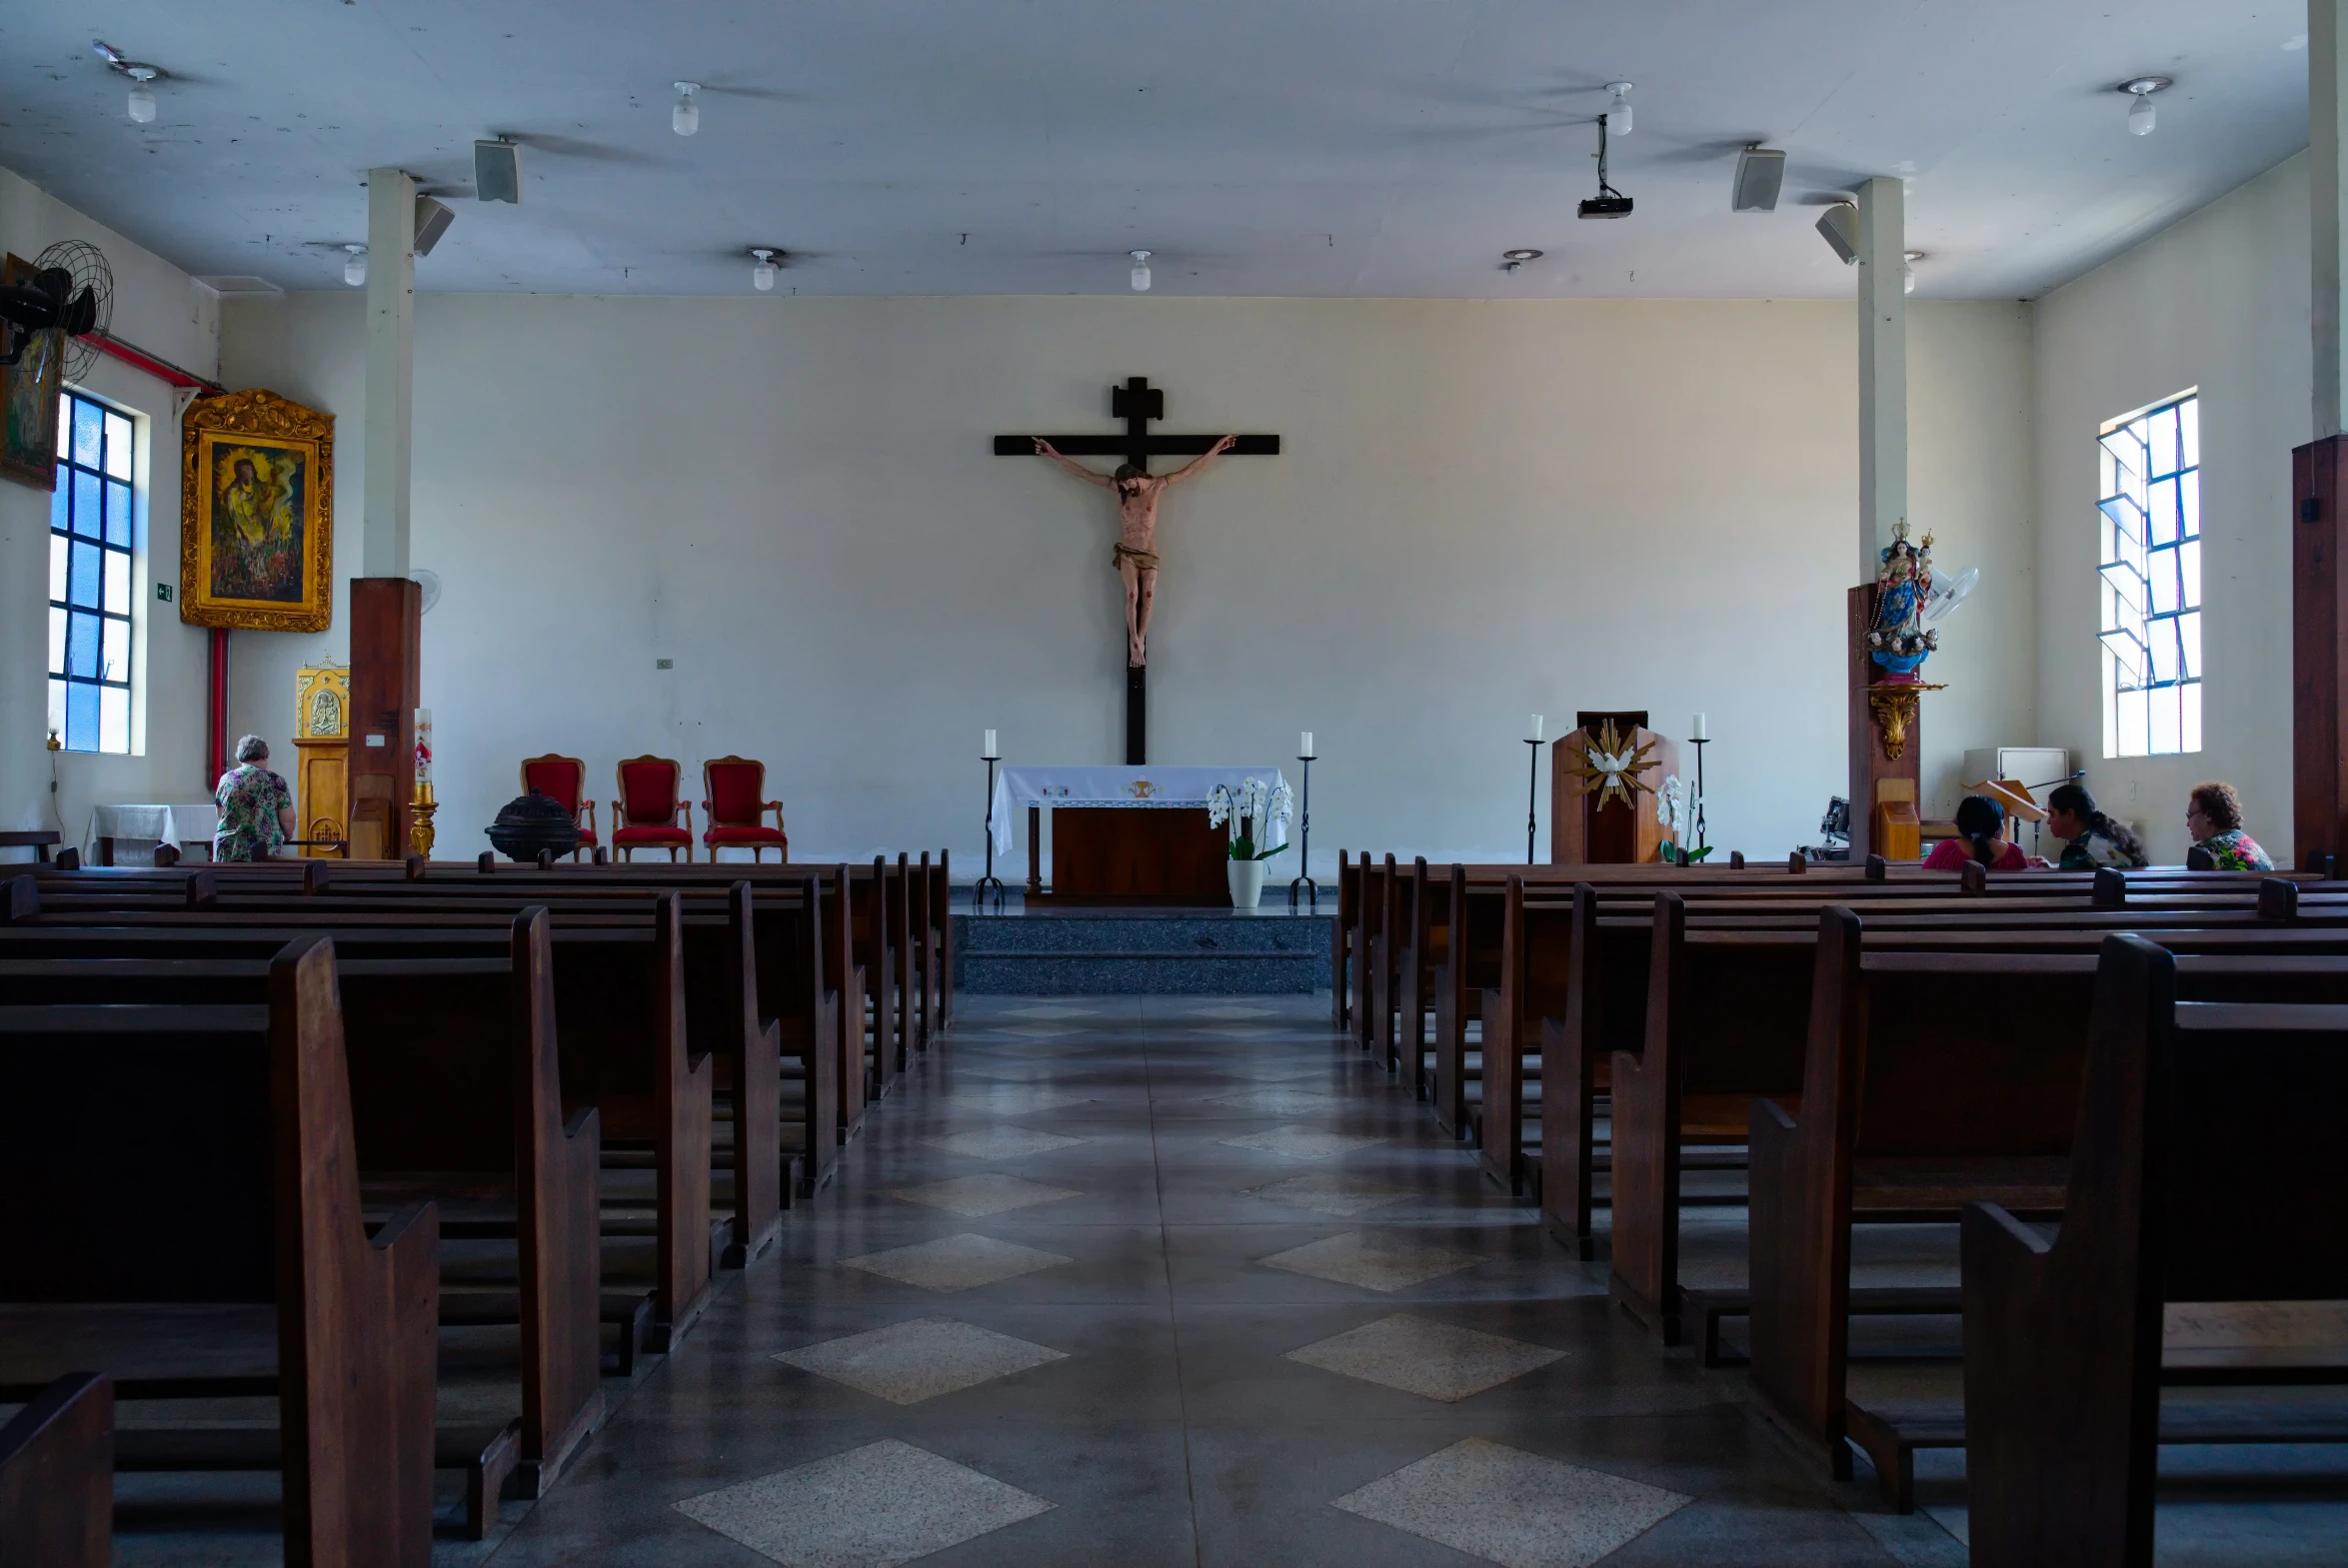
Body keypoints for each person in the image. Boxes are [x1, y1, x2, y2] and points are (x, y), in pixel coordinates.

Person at [1033, 433, 1237, 668]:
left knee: (1148, 595)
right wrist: (1053, 454)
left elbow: (1191, 469)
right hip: (1128, 551)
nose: (1126, 489)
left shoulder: (1158, 485)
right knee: (1132, 594)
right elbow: (1083, 473)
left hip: (1149, 552)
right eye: (1122, 486)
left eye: (1128, 484)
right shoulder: (1118, 488)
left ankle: (1142, 638)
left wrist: (1217, 449)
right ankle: (1134, 641)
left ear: (1134, 477)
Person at [214, 734, 296, 862]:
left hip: (228, 849)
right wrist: (288, 835)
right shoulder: (275, 780)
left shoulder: (226, 779)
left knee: (226, 882)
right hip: (263, 851)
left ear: (240, 757)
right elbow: (288, 819)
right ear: (264, 755)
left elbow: (220, 813)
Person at [2044, 782, 2148, 870]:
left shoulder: (2078, 852)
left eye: (2052, 814)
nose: (2048, 821)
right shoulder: (2113, 835)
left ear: (2070, 814)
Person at [1922, 792, 2034, 871]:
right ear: (1997, 825)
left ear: (1961, 822)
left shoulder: (1947, 850)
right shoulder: (2012, 853)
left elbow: (1926, 878)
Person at [2186, 780, 2273, 870]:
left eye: (2190, 815)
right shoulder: (2252, 846)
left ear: (2208, 815)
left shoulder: (2206, 850)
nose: (2188, 823)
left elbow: (2194, 884)